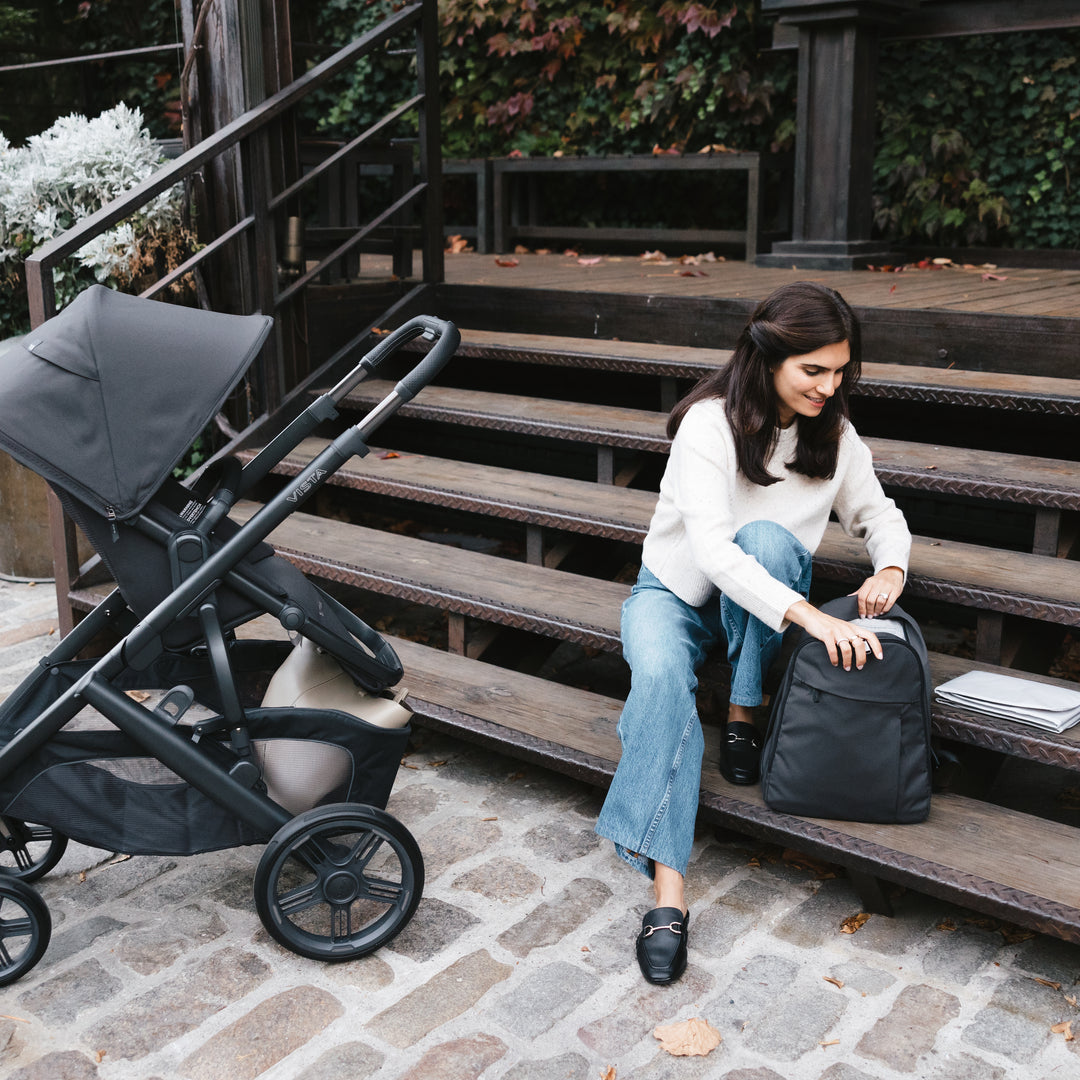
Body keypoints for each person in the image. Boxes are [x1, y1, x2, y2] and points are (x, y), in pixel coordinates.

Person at [594, 281, 911, 985]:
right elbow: (711, 551)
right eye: (814, 370)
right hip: (674, 592)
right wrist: (813, 616)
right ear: (769, 357)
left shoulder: (835, 434)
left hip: (760, 606)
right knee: (660, 678)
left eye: (840, 371)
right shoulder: (710, 424)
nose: (831, 386)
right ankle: (667, 896)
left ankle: (743, 714)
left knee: (770, 539)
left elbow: (878, 513)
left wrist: (890, 567)